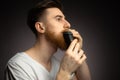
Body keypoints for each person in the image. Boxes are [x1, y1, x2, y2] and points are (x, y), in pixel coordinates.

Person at [4, 0, 91, 80]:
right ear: (41, 27)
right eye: (58, 19)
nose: (68, 24)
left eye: (65, 19)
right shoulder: (18, 65)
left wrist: (77, 50)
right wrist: (64, 73)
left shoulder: (58, 65)